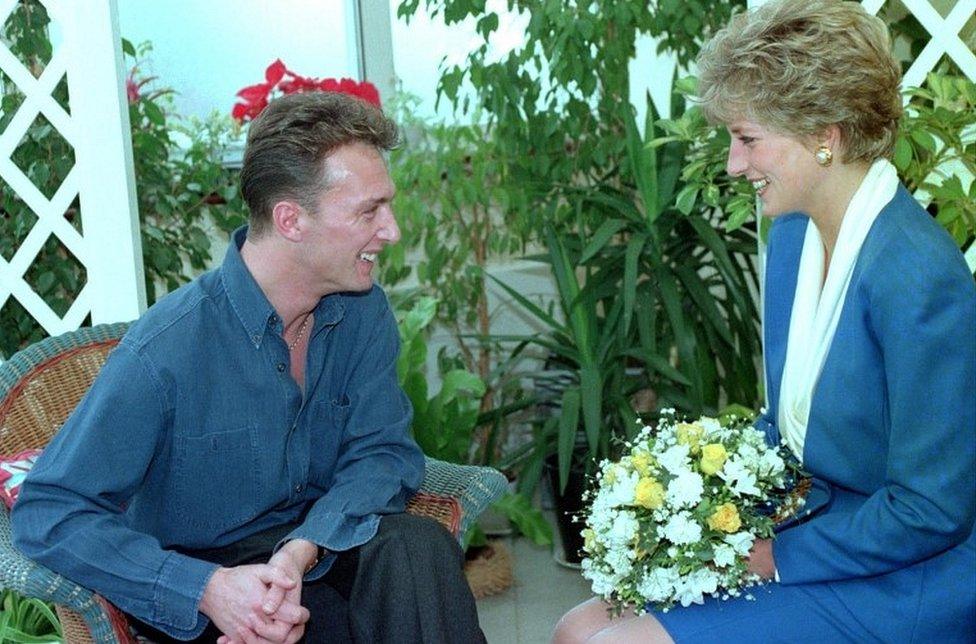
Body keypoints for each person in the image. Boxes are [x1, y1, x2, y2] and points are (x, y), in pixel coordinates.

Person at [553, 0, 976, 641]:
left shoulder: (920, 278)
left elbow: (931, 509)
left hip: (909, 575)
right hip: (813, 528)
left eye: (747, 139)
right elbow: (792, 426)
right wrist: (694, 501)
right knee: (574, 628)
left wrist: (776, 556)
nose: (732, 164)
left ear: (825, 136)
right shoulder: (792, 241)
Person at [13, 91, 485, 644]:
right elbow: (50, 510)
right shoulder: (166, 350)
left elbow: (383, 453)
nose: (392, 230)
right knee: (314, 625)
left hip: (317, 544)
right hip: (206, 574)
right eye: (368, 211)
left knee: (417, 548)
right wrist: (205, 587)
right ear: (291, 220)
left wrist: (306, 545)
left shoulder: (361, 313)